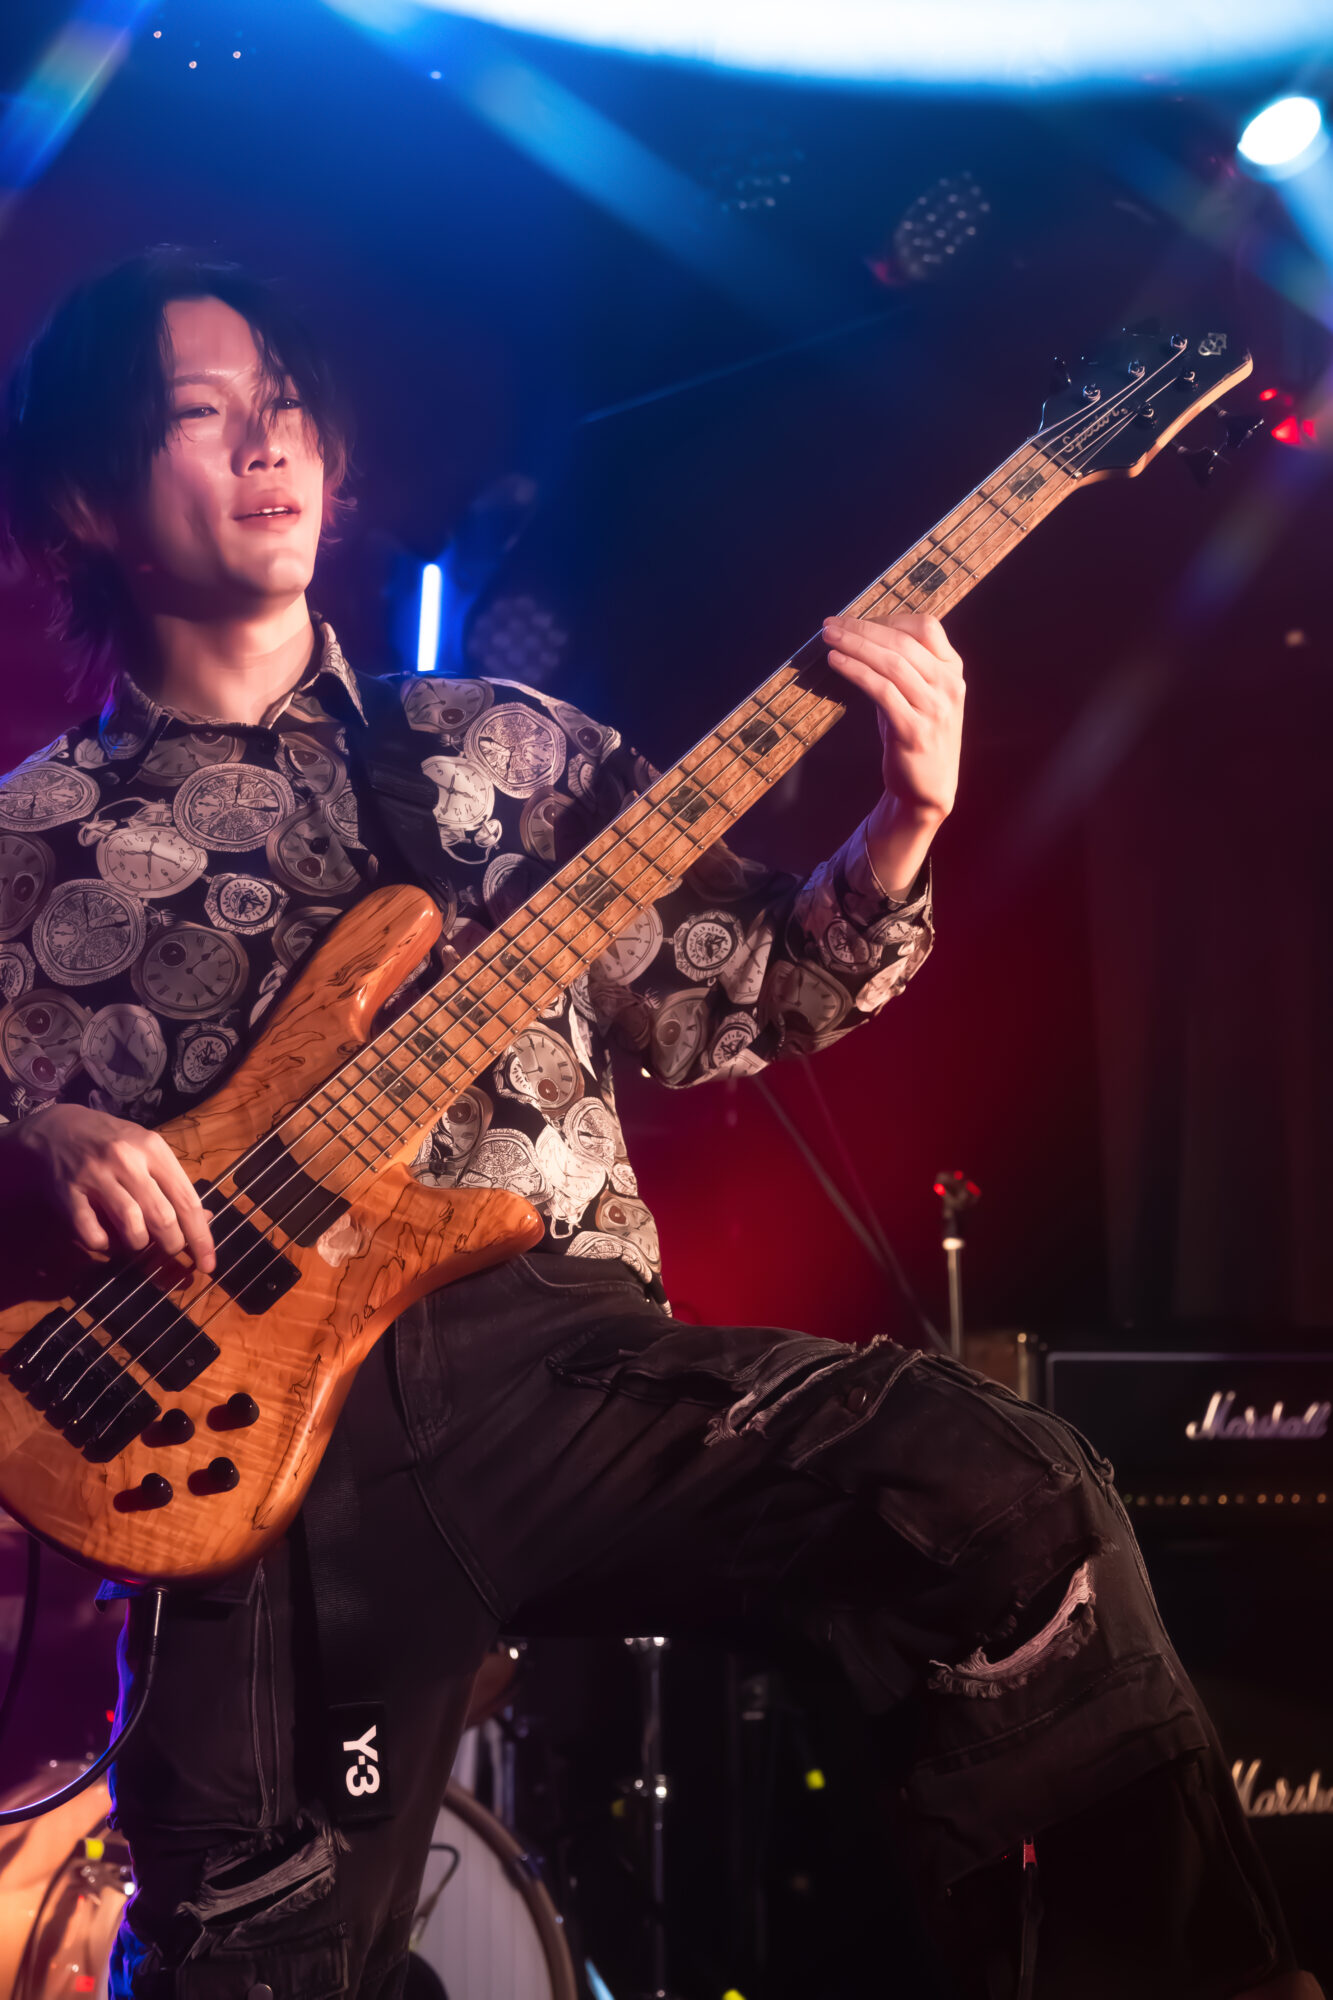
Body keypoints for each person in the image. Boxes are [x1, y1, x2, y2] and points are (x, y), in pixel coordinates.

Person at [0, 250, 1317, 2000]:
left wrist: (900, 829)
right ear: (87, 500)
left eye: (289, 405)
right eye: (200, 412)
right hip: (237, 1457)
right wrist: (32, 1144)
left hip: (558, 1370)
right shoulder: (27, 842)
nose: (269, 444)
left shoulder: (507, 750)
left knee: (1001, 1498)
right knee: (263, 1948)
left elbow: (739, 994)